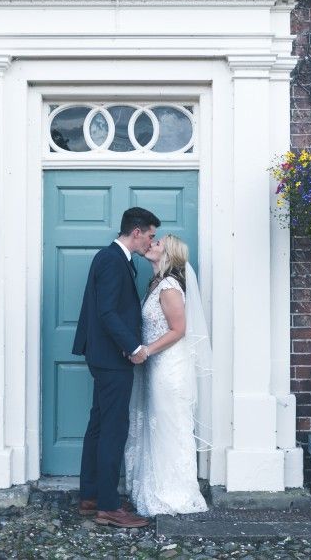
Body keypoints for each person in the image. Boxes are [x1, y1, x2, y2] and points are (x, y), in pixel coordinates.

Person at [72, 206, 161, 528]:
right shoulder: (111, 260)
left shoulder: (115, 259)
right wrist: (134, 347)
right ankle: (108, 506)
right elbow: (108, 312)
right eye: (150, 236)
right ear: (136, 232)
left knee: (99, 426)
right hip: (112, 359)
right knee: (112, 430)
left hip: (104, 357)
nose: (152, 242)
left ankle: (91, 495)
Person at [124, 234, 210, 517]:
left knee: (170, 426)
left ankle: (176, 493)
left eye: (158, 243)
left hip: (169, 368)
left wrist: (147, 350)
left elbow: (178, 330)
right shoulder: (156, 284)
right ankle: (155, 487)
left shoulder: (170, 287)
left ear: (168, 254)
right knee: (157, 426)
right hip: (156, 368)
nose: (152, 244)